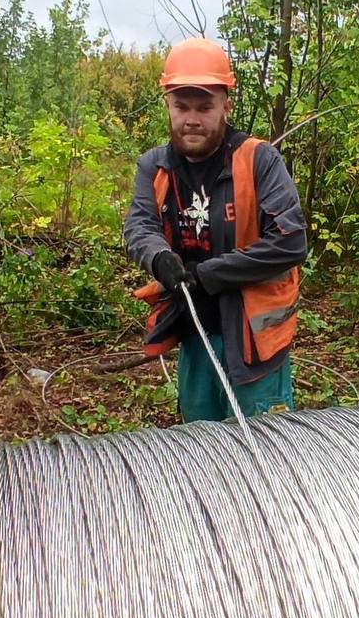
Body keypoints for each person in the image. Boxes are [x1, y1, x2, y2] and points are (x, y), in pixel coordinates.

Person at [124, 37, 306, 422]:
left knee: (265, 452)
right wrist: (159, 258)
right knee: (203, 455)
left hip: (256, 346)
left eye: (204, 107)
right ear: (167, 106)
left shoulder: (259, 161)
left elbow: (290, 243)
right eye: (182, 106)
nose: (192, 118)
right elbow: (139, 226)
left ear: (226, 105)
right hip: (196, 337)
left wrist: (208, 274)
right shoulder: (154, 168)